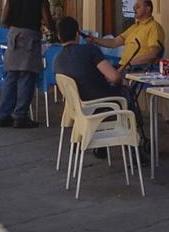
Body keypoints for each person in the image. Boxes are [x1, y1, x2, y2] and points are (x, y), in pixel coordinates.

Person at [52, 16, 145, 150]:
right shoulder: (90, 50)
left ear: (59, 36)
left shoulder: (57, 59)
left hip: (79, 107)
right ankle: (134, 143)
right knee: (126, 92)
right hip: (101, 101)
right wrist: (121, 81)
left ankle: (102, 141)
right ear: (77, 34)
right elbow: (114, 77)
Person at [0, 0, 51, 129]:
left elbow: (4, 18)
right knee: (27, 77)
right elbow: (48, 21)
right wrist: (53, 29)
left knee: (11, 76)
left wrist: (15, 27)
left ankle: (3, 115)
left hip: (14, 35)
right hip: (30, 37)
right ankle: (20, 116)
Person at [94, 0, 166, 69]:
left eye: (138, 6)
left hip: (137, 68)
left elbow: (153, 54)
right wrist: (94, 40)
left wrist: (129, 65)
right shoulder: (135, 27)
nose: (134, 9)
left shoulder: (154, 27)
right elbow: (114, 42)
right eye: (134, 6)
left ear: (148, 9)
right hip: (123, 65)